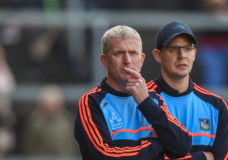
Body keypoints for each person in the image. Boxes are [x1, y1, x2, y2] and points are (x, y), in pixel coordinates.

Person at [74, 25, 192, 159]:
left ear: (141, 60)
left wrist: (145, 102)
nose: (127, 61)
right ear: (104, 61)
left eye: (133, 53)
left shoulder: (153, 99)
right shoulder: (91, 101)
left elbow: (182, 146)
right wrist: (156, 144)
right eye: (119, 53)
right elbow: (104, 156)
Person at [148, 21, 228, 159]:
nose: (182, 55)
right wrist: (203, 157)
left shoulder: (217, 106)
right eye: (173, 49)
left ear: (194, 54)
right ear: (158, 55)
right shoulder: (142, 100)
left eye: (187, 48)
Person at [22, 84, 78, 155]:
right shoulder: (35, 121)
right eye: (47, 105)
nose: (50, 108)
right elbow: (29, 143)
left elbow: (75, 144)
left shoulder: (68, 120)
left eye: (53, 105)